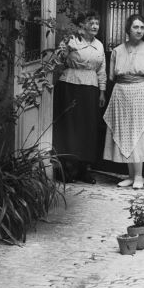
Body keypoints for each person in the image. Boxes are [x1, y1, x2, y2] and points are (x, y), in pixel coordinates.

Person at [104, 13, 144, 189]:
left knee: (139, 134)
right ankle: (130, 175)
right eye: (136, 27)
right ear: (128, 29)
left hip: (141, 93)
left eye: (142, 27)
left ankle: (139, 176)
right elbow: (112, 76)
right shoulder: (117, 51)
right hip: (121, 94)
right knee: (125, 133)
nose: (139, 30)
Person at [52, 11, 106, 176]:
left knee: (87, 127)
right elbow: (56, 60)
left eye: (97, 23)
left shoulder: (99, 45)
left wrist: (102, 91)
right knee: (69, 125)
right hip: (70, 85)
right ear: (82, 25)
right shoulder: (71, 40)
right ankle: (66, 168)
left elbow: (102, 70)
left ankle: (84, 168)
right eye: (91, 22)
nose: (95, 26)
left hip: (90, 88)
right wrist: (65, 48)